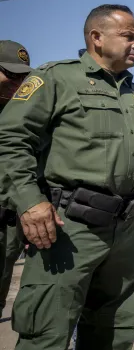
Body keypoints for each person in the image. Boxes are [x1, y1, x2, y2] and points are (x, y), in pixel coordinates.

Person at [0, 5, 134, 350]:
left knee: (114, 334)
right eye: (129, 36)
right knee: (47, 333)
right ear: (97, 37)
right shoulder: (56, 79)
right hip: (69, 229)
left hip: (124, 234)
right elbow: (11, 139)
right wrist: (30, 202)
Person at [0, 40, 32, 318]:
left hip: (9, 219)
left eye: (22, 77)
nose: (17, 83)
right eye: (10, 75)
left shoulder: (25, 113)